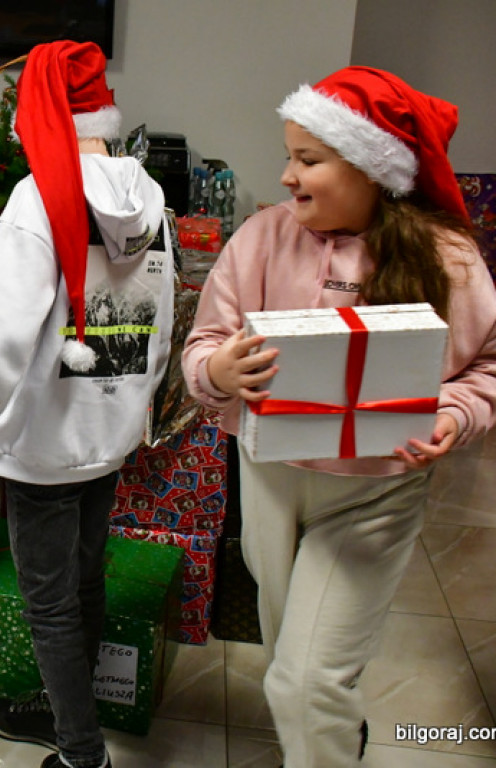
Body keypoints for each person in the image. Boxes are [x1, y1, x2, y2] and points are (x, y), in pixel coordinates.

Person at [181, 66, 496, 767]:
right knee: (290, 657)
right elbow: (202, 346)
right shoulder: (262, 238)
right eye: (288, 155)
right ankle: (333, 736)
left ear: (371, 169)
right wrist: (218, 371)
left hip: (375, 493)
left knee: (303, 682)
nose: (286, 175)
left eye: (309, 159)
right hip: (270, 482)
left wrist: (453, 414)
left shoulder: (449, 260)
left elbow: (486, 368)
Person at [0, 40, 176, 768]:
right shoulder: (150, 199)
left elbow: (1, 337)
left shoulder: (38, 197)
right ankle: (66, 708)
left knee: (49, 601)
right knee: (85, 581)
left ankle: (79, 753)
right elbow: (161, 325)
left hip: (43, 442)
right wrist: (132, 413)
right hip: (108, 432)